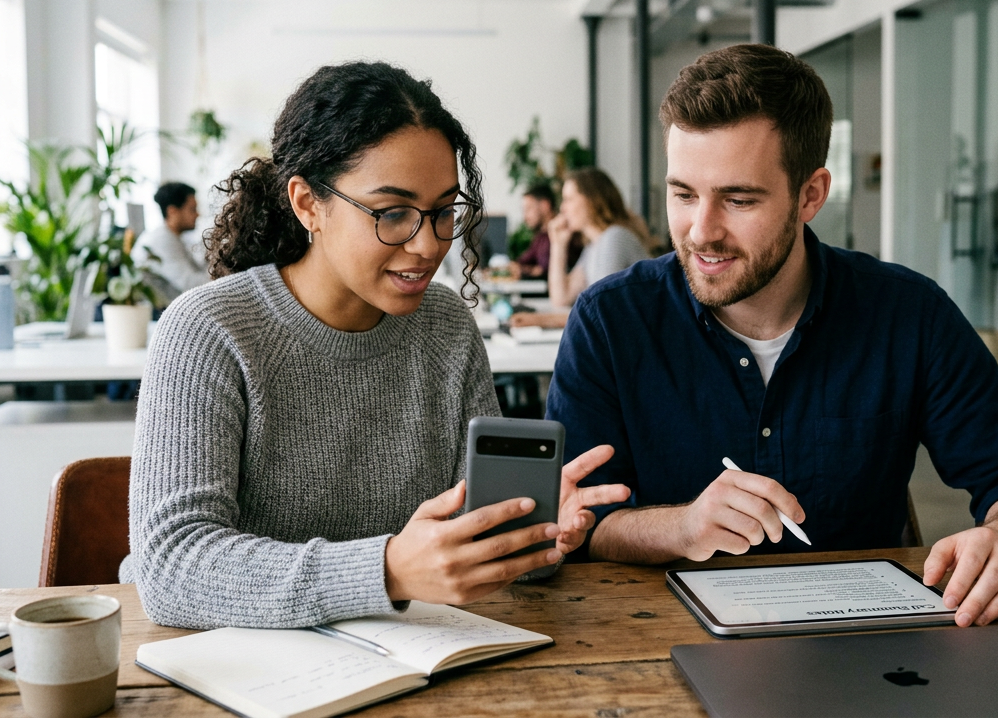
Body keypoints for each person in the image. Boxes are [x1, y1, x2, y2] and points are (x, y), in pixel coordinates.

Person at [546, 44, 998, 630]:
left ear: (811, 195)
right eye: (683, 194)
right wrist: (682, 526)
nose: (701, 231)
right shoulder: (611, 321)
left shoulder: (906, 314)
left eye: (738, 198)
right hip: (653, 641)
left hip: (869, 650)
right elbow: (583, 518)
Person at [121, 61, 628, 630]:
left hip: (409, 663)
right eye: (392, 213)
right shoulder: (208, 330)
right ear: (308, 203)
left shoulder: (446, 329)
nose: (427, 244)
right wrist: (387, 572)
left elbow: (465, 548)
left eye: (442, 213)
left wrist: (528, 530)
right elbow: (169, 567)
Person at [509, 169, 650, 329]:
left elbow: (601, 311)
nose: (562, 208)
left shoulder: (615, 238)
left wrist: (541, 320)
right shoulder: (593, 246)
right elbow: (561, 299)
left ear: (592, 200)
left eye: (568, 199)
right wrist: (558, 245)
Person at [132, 183, 210, 299]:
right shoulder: (161, 240)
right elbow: (191, 284)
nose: (198, 214)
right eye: (192, 209)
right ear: (172, 211)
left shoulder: (173, 237)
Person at [513, 183, 582, 279]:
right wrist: (532, 270)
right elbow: (519, 264)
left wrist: (536, 270)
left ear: (545, 205)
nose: (525, 217)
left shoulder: (566, 233)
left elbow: (547, 271)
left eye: (528, 209)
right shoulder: (541, 237)